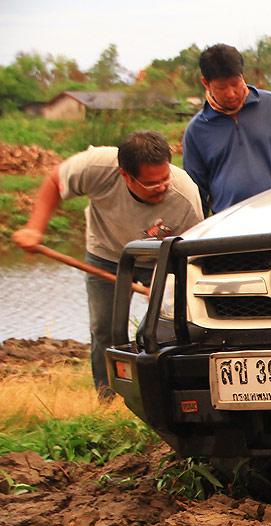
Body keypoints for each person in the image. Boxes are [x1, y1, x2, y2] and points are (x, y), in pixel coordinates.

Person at [12, 130, 203, 402]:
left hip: (160, 259)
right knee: (104, 328)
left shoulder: (184, 194)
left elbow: (190, 252)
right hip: (108, 254)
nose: (161, 187)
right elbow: (55, 181)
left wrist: (171, 287)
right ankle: (108, 396)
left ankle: (168, 396)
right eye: (151, 184)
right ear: (125, 175)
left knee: (172, 327)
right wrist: (34, 228)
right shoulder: (97, 167)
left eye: (164, 178)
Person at [182, 43, 271, 215]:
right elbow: (195, 194)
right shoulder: (196, 130)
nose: (231, 93)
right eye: (221, 87)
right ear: (206, 83)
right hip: (228, 227)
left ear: (243, 76)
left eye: (235, 83)